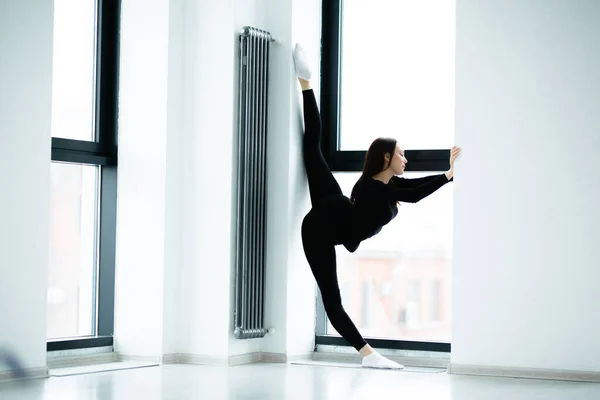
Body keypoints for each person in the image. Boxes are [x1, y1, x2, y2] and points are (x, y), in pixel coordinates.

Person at [292, 44, 461, 369]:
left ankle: (305, 81)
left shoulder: (383, 186)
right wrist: (447, 177)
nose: (406, 160)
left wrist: (447, 175)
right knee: (333, 300)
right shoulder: (373, 188)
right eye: (401, 154)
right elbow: (413, 193)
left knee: (313, 150)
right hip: (319, 228)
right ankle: (368, 355)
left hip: (334, 205)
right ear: (386, 158)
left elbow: (410, 187)